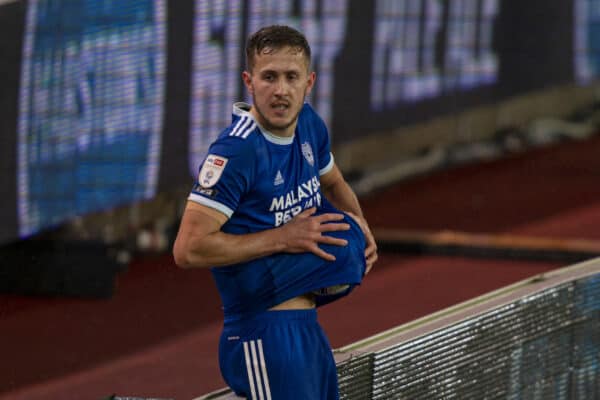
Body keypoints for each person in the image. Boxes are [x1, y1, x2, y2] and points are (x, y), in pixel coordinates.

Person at [173, 25, 377, 399]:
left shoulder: (310, 125)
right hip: (261, 331)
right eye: (269, 77)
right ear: (249, 81)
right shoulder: (237, 153)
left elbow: (334, 182)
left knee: (348, 235)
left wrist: (361, 224)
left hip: (306, 324)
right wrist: (283, 238)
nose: (280, 90)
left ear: (309, 81)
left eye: (291, 77)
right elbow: (188, 248)